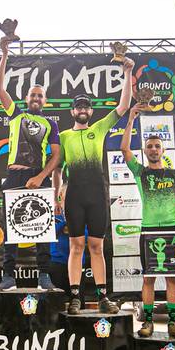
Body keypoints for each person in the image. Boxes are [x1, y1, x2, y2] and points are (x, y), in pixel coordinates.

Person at [56, 56, 135, 314]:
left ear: (91, 111)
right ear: (72, 112)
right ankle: (75, 297)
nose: (82, 109)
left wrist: (128, 72)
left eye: (86, 106)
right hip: (74, 195)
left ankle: (102, 297)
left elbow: (123, 106)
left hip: (97, 195)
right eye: (78, 106)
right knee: (76, 246)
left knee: (97, 246)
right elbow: (57, 167)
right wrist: (58, 193)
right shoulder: (63, 136)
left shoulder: (100, 128)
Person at [0, 36, 62, 291]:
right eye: (33, 94)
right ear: (26, 98)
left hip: (37, 176)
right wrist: (4, 54)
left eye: (40, 96)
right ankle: (8, 277)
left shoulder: (50, 124)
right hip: (14, 175)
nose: (36, 98)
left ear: (45, 101)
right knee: (11, 225)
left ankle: (44, 276)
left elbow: (56, 156)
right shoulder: (16, 115)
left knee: (42, 227)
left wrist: (41, 177)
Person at [120, 104, 175, 339]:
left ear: (163, 150)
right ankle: (148, 322)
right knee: (148, 278)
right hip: (148, 230)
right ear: (145, 150)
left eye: (157, 146)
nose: (153, 149)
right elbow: (124, 149)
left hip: (172, 229)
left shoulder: (174, 174)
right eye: (150, 146)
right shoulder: (141, 172)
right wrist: (131, 118)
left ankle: (173, 323)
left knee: (172, 278)